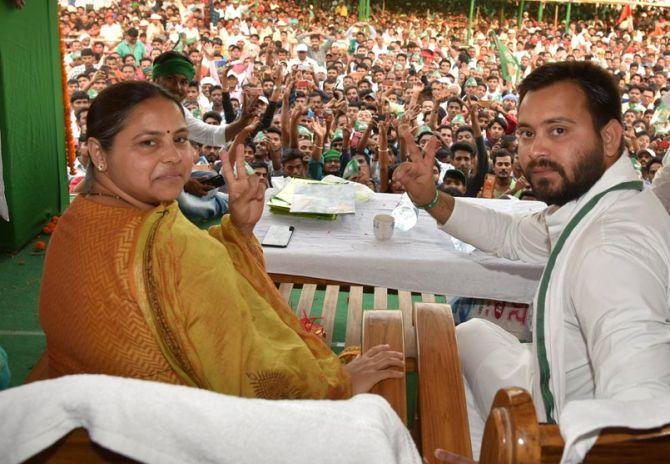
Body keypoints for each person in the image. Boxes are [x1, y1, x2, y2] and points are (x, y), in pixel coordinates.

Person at [35, 81, 403, 400]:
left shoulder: (80, 218)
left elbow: (173, 278)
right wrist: (335, 386)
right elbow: (248, 378)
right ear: (99, 153)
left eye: (180, 139)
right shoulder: (174, 247)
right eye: (148, 143)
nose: (175, 157)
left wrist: (238, 229)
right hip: (160, 427)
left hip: (86, 398)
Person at [394, 62, 670, 460]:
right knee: (469, 333)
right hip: (545, 383)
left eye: (558, 131)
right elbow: (509, 236)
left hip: (557, 430)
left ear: (609, 138)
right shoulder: (599, 204)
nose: (536, 150)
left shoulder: (611, 248)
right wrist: (431, 199)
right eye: (527, 133)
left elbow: (644, 415)